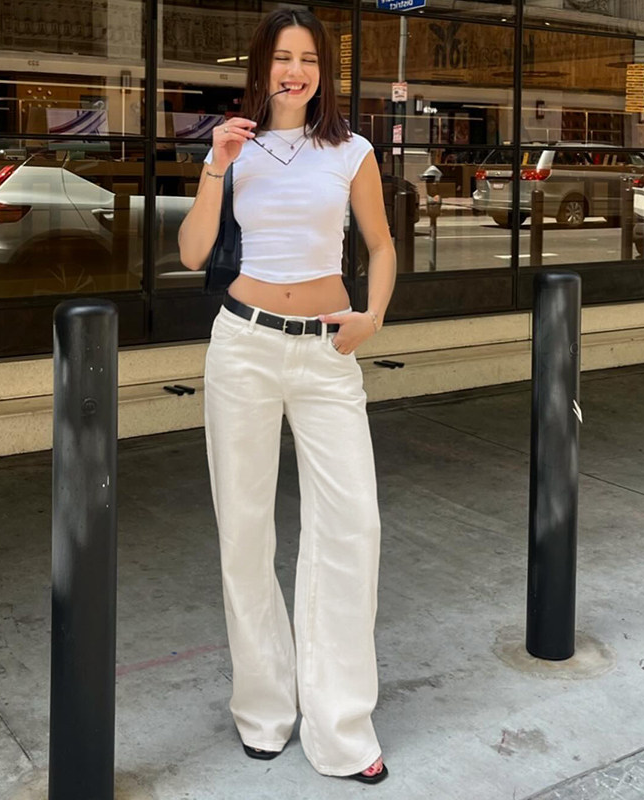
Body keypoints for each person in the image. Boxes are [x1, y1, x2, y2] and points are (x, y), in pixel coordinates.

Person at [178, 7, 395, 786]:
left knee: (352, 526)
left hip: (327, 354)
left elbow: (380, 244)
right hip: (243, 346)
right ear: (260, 67)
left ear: (323, 71)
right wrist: (215, 163)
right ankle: (264, 709)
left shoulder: (352, 150)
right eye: (281, 57)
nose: (294, 70)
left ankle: (340, 725)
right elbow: (193, 252)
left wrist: (373, 316)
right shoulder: (234, 148)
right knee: (244, 530)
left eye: (308, 58)